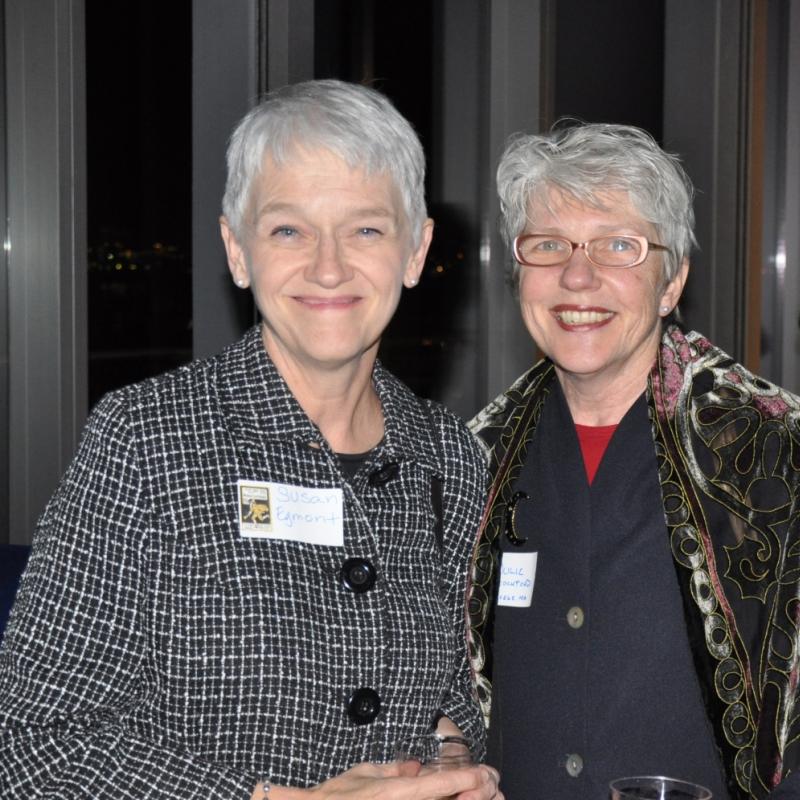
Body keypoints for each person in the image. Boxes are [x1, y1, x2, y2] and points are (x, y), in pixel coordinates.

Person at [0, 79, 500, 800]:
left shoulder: (450, 456)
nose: (328, 266)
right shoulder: (146, 440)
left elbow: (458, 687)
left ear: (415, 252)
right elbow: (30, 745)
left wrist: (450, 754)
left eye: (366, 229)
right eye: (288, 230)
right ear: (238, 251)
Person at [467, 122, 800, 799]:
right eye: (548, 245)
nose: (578, 275)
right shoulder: (473, 458)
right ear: (517, 273)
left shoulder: (775, 453)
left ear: (671, 281)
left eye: (620, 246)